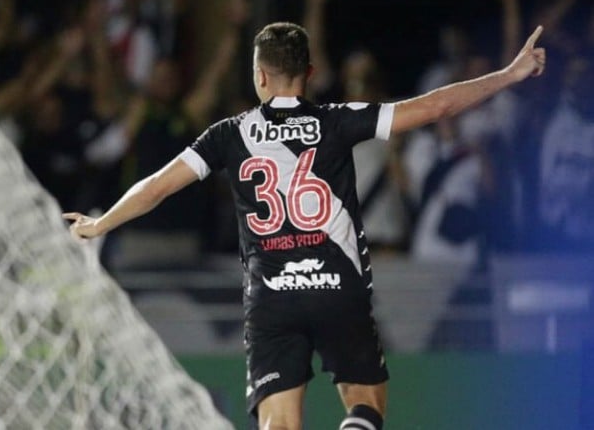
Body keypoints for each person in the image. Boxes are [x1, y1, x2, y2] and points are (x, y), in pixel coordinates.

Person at [63, 22, 546, 430]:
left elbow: (156, 187)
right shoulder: (338, 120)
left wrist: (100, 223)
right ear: (310, 74)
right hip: (339, 287)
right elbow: (436, 107)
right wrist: (507, 75)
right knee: (366, 402)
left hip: (272, 296)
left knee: (279, 424)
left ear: (258, 75)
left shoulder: (229, 134)